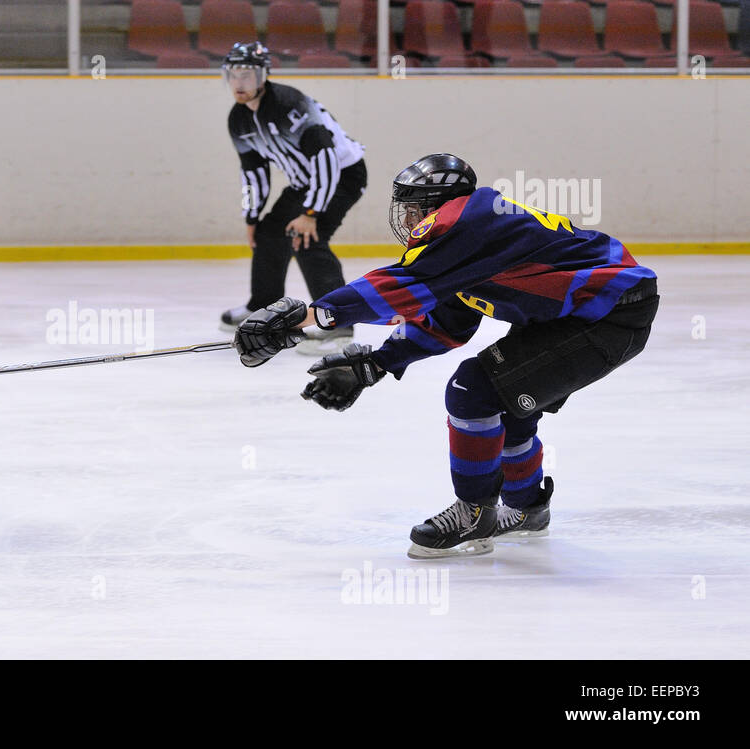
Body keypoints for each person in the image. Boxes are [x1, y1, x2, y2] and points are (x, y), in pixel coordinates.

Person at [232, 153, 659, 558]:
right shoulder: (468, 243)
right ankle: (527, 507)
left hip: (608, 315)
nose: (409, 219)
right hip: (590, 312)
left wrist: (313, 315)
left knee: (472, 391)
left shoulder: (469, 219)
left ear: (441, 205)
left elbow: (399, 286)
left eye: (415, 208)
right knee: (508, 403)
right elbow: (447, 322)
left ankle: (474, 512)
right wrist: (378, 365)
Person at [220, 41, 367, 354]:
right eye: (233, 75)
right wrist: (252, 216)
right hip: (305, 182)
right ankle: (263, 309)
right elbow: (253, 173)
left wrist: (311, 213)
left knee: (306, 239)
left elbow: (325, 157)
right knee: (268, 233)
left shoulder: (291, 104)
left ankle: (338, 325)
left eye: (247, 74)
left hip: (343, 176)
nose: (239, 83)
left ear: (263, 76)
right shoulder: (239, 119)